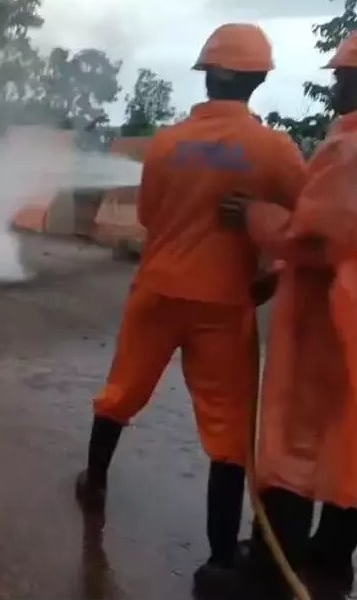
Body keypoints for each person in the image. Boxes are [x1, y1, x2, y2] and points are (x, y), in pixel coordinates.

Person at [73, 22, 307, 595]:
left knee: (123, 389)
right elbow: (305, 225)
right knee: (227, 431)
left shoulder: (166, 143)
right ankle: (220, 561)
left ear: (208, 77)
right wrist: (269, 270)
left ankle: (94, 480)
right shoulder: (273, 150)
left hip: (156, 290)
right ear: (257, 79)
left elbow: (151, 217)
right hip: (224, 301)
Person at [221, 30, 357, 599]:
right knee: (349, 437)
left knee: (296, 436)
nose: (333, 86)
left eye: (341, 75)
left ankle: (272, 571)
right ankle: (329, 560)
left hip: (331, 322)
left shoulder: (350, 148)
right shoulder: (286, 146)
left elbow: (318, 239)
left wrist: (257, 217)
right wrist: (278, 273)